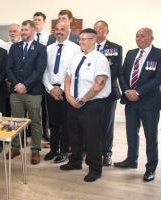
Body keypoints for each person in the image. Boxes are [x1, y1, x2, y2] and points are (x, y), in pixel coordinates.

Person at [60, 28, 111, 182]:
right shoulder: (77, 57)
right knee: (74, 134)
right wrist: (68, 96)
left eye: (84, 39)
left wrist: (82, 100)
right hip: (73, 103)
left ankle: (95, 169)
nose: (80, 42)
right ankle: (75, 161)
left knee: (92, 138)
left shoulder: (100, 59)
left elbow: (99, 85)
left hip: (92, 105)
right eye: (80, 39)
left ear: (93, 40)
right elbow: (68, 77)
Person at [115, 27, 161, 182]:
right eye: (137, 35)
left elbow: (157, 79)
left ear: (151, 38)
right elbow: (121, 74)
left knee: (151, 136)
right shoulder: (131, 53)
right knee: (131, 133)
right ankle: (131, 160)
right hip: (131, 102)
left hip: (149, 102)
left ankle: (151, 168)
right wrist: (127, 90)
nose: (139, 38)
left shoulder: (158, 54)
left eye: (143, 35)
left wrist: (138, 92)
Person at [6, 20, 47, 165]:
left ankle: (35, 150)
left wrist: (25, 85)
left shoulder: (41, 48)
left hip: (33, 92)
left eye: (25, 30)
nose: (23, 32)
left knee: (35, 122)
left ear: (33, 30)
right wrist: (17, 84)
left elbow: (39, 70)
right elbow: (8, 68)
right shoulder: (14, 47)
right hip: (16, 92)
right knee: (15, 121)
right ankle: (16, 147)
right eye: (22, 30)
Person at [42, 22, 80, 163]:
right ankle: (53, 149)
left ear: (68, 31)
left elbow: (74, 72)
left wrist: (62, 88)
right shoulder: (48, 49)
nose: (59, 32)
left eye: (62, 29)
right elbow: (44, 71)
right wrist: (50, 88)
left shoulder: (76, 49)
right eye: (56, 30)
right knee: (53, 123)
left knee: (65, 123)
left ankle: (64, 151)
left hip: (66, 91)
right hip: (50, 91)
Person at [94, 20, 123, 166]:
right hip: (91, 93)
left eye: (101, 28)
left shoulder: (116, 48)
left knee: (107, 124)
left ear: (107, 31)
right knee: (93, 124)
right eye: (96, 28)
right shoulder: (88, 47)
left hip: (109, 93)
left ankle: (107, 153)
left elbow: (115, 70)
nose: (98, 30)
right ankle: (93, 151)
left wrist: (99, 83)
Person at [33, 11, 52, 141]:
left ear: (44, 22)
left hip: (45, 76)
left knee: (45, 108)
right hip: (32, 77)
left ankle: (45, 131)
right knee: (32, 107)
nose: (36, 22)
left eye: (39, 19)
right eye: (34, 19)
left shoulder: (50, 37)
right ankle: (30, 130)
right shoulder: (30, 36)